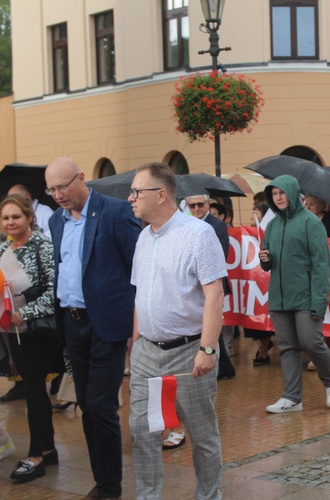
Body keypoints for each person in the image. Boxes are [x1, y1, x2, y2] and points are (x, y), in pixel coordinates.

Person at [128, 162, 225, 499]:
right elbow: (140, 294)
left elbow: (215, 294)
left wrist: (208, 349)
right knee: (142, 430)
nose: (131, 199)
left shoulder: (198, 234)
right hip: (146, 354)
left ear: (161, 194)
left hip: (188, 352)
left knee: (201, 434)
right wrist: (136, 343)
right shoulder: (143, 238)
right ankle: (148, 496)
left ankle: (208, 495)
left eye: (137, 192)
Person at [46, 157, 140, 500]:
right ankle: (102, 480)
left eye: (62, 186)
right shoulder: (56, 221)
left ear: (81, 178)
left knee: (101, 405)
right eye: (51, 189)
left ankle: (110, 487)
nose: (57, 195)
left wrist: (136, 323)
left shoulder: (114, 212)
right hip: (72, 324)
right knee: (86, 403)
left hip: (107, 324)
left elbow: (137, 267)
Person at [0, 195, 60, 482]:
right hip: (10, 331)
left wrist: (28, 311)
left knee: (33, 388)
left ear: (29, 217)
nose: (10, 222)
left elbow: (55, 288)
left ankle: (34, 456)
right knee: (34, 390)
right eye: (5, 218)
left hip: (38, 331)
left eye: (15, 217)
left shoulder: (43, 245)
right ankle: (48, 448)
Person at [259, 175, 330, 413]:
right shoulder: (272, 225)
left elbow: (321, 265)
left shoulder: (311, 223)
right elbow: (269, 264)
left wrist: (319, 302)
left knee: (311, 342)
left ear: (293, 193)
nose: (278, 198)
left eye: (282, 193)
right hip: (279, 297)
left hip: (306, 297)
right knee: (287, 347)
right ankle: (292, 398)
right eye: (274, 194)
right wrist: (265, 260)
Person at [185, 193, 236, 379]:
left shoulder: (218, 225)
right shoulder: (188, 225)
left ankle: (223, 366)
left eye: (200, 204)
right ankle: (224, 366)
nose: (196, 209)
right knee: (208, 325)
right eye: (192, 206)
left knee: (212, 324)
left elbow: (221, 255)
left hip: (212, 284)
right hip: (195, 284)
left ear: (208, 204)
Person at [246, 201, 276, 365]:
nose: (252, 216)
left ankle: (264, 350)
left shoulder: (270, 229)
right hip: (255, 280)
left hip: (268, 280)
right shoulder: (251, 232)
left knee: (266, 316)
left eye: (255, 213)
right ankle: (264, 346)